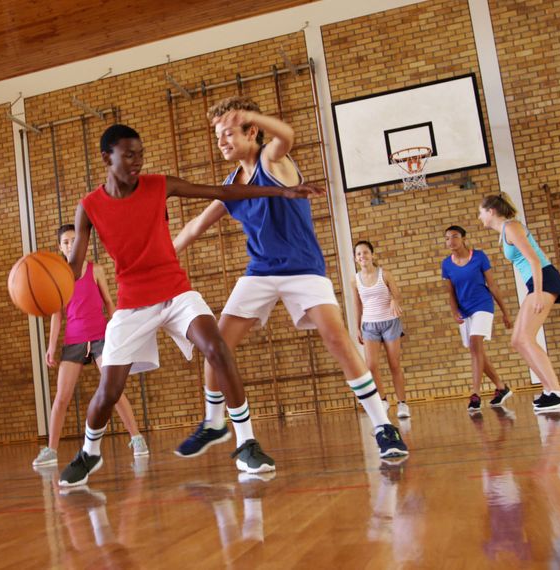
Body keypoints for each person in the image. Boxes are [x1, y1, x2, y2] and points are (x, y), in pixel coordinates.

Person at [58, 123, 325, 487]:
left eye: (141, 153)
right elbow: (74, 267)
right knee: (109, 391)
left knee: (216, 346)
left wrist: (282, 191)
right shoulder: (89, 207)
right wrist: (50, 279)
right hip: (133, 303)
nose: (137, 161)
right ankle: (89, 452)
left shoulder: (159, 185)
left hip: (176, 292)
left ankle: (247, 443)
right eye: (128, 155)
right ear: (108, 157)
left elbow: (221, 190)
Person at [172, 96, 409, 458]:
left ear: (252, 131)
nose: (220, 142)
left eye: (228, 134)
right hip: (260, 273)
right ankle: (214, 422)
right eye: (217, 136)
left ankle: (383, 426)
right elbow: (193, 227)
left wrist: (252, 113)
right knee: (215, 345)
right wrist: (159, 258)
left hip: (303, 271)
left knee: (338, 339)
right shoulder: (232, 185)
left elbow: (286, 134)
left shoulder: (272, 160)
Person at [32, 224, 148, 468]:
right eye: (65, 241)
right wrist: (51, 346)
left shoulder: (96, 270)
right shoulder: (58, 278)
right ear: (59, 247)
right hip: (73, 340)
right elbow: (57, 315)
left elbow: (109, 302)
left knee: (113, 391)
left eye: (74, 240)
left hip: (100, 338)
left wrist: (120, 333)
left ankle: (137, 438)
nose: (70, 244)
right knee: (61, 398)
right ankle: (51, 450)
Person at [478, 194, 560, 412]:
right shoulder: (505, 231)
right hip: (537, 283)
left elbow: (534, 260)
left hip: (544, 280)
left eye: (481, 211)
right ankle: (550, 391)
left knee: (525, 338)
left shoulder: (512, 227)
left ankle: (557, 393)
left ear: (491, 211)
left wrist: (537, 292)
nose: (479, 216)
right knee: (518, 340)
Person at [441, 225, 514, 414]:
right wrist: (454, 310)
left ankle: (475, 394)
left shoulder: (479, 256)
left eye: (455, 237)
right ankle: (501, 386)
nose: (451, 241)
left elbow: (493, 286)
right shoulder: (446, 264)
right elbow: (450, 292)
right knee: (477, 351)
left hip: (483, 305)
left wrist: (505, 312)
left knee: (475, 344)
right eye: (447, 238)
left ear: (464, 238)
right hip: (464, 311)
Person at [352, 240, 410, 418]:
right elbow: (357, 305)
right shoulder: (355, 280)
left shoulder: (385, 274)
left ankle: (402, 404)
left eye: (366, 252)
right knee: (371, 365)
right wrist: (358, 327)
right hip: (370, 325)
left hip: (390, 322)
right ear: (356, 258)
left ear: (372, 255)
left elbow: (398, 295)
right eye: (359, 254)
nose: (363, 256)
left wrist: (394, 300)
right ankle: (383, 400)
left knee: (394, 364)